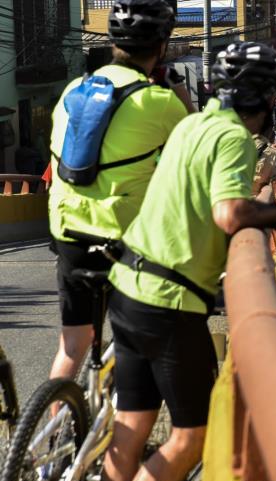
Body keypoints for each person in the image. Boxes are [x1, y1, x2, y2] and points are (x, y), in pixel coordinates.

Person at [102, 42, 276, 481]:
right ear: (261, 98)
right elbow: (229, 213)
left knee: (131, 428)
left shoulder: (192, 124)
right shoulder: (235, 139)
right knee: (190, 436)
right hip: (169, 303)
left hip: (126, 286)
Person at [47, 0, 192, 386]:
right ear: (161, 48)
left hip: (67, 230)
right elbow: (194, 152)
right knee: (146, 338)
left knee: (73, 344)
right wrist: (180, 93)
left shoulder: (71, 92)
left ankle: (47, 433)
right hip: (123, 237)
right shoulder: (159, 102)